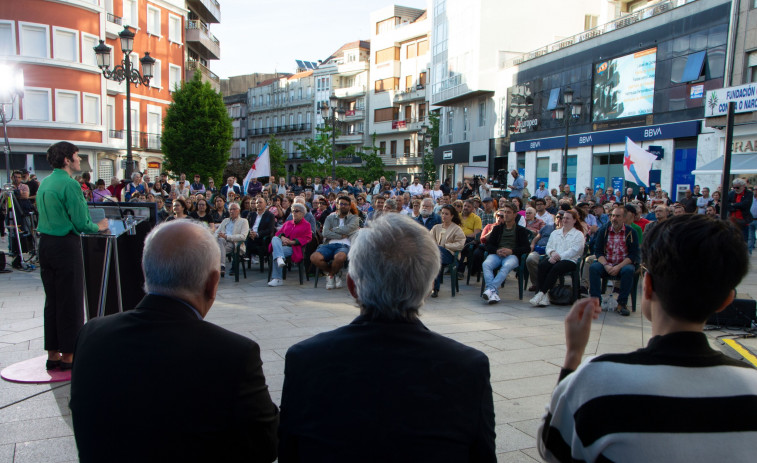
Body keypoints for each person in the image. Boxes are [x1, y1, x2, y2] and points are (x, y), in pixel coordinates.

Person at [538, 215, 757, 462]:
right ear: (727, 300)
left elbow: (551, 449)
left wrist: (573, 358)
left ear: (648, 285)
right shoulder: (752, 386)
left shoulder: (597, 380)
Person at [278, 214, 495, 461]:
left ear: (352, 286)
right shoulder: (468, 367)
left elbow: (289, 451)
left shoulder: (305, 359)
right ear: (428, 285)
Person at [70, 220, 279, 462]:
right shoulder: (234, 354)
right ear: (212, 284)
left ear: (146, 271)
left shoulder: (91, 334)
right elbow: (266, 445)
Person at [36, 142, 109, 371]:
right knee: (71, 300)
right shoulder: (70, 185)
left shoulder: (45, 182)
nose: (80, 160)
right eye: (77, 156)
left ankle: (53, 353)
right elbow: (81, 223)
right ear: (67, 159)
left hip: (45, 244)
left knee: (53, 300)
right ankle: (69, 355)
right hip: (65, 245)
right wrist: (100, 226)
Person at [589, 206, 639, 316]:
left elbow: (633, 255)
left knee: (628, 271)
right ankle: (595, 302)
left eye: (617, 216)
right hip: (606, 263)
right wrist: (606, 265)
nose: (614, 219)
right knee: (593, 268)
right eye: (612, 216)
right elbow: (598, 252)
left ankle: (622, 303)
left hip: (623, 264)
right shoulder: (604, 231)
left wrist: (618, 267)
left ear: (624, 218)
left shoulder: (631, 232)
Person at [529, 209, 585, 307]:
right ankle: (545, 296)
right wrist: (552, 253)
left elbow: (574, 250)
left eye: (568, 218)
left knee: (556, 268)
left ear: (574, 220)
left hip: (569, 260)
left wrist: (558, 257)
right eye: (564, 218)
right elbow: (549, 246)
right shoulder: (555, 233)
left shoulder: (578, 234)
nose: (564, 220)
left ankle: (541, 293)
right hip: (554, 257)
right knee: (542, 265)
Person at [481, 202, 531, 304]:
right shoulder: (497, 229)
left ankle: (490, 290)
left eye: (509, 212)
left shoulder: (520, 230)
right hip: (497, 254)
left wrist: (512, 251)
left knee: (506, 266)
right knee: (486, 264)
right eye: (505, 212)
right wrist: (496, 250)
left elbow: (526, 248)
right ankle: (493, 293)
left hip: (512, 255)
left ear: (514, 215)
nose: (506, 215)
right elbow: (488, 245)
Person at [310, 196, 359, 290]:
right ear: (337, 205)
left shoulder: (354, 218)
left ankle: (331, 275)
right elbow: (325, 233)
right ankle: (334, 273)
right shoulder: (330, 217)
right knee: (314, 257)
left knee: (340, 257)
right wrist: (340, 235)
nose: (343, 206)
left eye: (345, 204)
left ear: (349, 206)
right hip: (329, 244)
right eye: (341, 204)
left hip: (345, 245)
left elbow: (349, 228)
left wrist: (333, 230)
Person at [268, 203, 312, 287]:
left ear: (303, 213)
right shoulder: (288, 223)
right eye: (292, 211)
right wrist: (282, 238)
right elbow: (278, 233)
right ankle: (280, 258)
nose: (294, 213)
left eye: (296, 211)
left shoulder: (307, 225)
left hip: (294, 248)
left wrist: (292, 242)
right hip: (282, 246)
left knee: (275, 253)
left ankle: (277, 278)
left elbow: (308, 238)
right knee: (275, 238)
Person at [429, 205, 466, 298]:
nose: (444, 216)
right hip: (436, 254)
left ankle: (433, 288)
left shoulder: (457, 229)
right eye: (442, 213)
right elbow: (429, 240)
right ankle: (434, 288)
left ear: (452, 216)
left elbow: (460, 244)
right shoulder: (436, 227)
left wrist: (446, 245)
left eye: (446, 214)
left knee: (437, 252)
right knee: (434, 260)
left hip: (450, 254)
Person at [214, 203, 249, 277]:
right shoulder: (225, 221)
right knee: (220, 241)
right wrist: (218, 235)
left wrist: (227, 237)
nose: (232, 211)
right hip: (222, 242)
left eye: (234, 209)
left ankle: (220, 266)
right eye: (230, 209)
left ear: (239, 211)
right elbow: (216, 233)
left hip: (234, 243)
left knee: (215, 249)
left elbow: (243, 237)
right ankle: (221, 266)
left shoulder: (244, 221)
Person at [727, 178, 753, 243]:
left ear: (743, 186)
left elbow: (745, 205)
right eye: (734, 187)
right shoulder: (731, 193)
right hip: (732, 220)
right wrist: (736, 206)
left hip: (743, 221)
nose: (735, 189)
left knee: (743, 241)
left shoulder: (749, 193)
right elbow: (727, 205)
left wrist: (733, 205)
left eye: (737, 187)